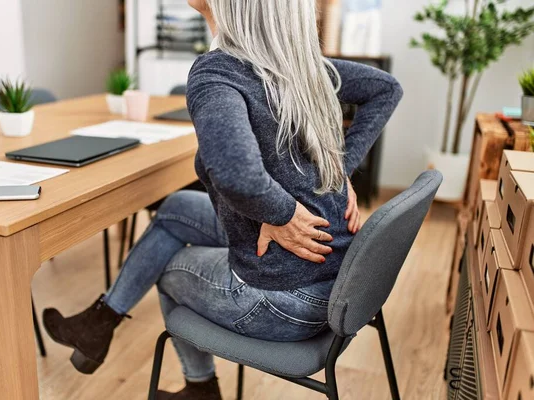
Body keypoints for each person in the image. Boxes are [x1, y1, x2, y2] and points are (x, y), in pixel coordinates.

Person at [42, 0, 403, 398]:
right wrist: (336, 173)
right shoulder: (297, 63)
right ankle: (100, 323)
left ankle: (201, 389)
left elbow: (237, 176)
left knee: (166, 267)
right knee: (177, 207)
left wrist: (283, 210)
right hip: (333, 280)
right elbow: (387, 88)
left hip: (285, 300)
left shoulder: (219, 70)